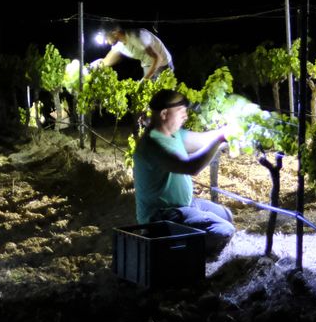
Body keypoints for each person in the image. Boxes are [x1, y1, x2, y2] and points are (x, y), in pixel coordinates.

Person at [132, 88, 236, 242]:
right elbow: (190, 167)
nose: (185, 116)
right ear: (164, 114)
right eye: (180, 110)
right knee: (224, 231)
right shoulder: (152, 144)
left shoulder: (174, 135)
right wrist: (220, 138)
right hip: (162, 215)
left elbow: (203, 140)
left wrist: (227, 135)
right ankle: (188, 256)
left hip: (184, 205)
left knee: (227, 215)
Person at [92, 24, 174, 81]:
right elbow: (106, 61)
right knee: (148, 97)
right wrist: (91, 66)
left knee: (162, 97)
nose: (106, 42)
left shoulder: (136, 37)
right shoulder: (119, 45)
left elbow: (158, 58)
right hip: (148, 64)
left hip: (163, 64)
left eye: (106, 38)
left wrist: (145, 79)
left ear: (114, 33)